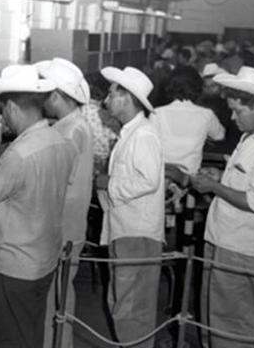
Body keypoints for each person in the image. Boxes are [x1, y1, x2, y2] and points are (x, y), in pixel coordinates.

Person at [191, 66, 254, 348]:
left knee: (233, 324)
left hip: (243, 247)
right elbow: (246, 181)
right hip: (227, 240)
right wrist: (222, 177)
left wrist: (215, 188)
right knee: (216, 317)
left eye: (238, 111)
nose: (233, 117)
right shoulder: (251, 137)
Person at [0, 64, 76, 348]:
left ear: (12, 108)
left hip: (11, 265)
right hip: (43, 260)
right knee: (29, 334)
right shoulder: (62, 142)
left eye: (4, 109)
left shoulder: (17, 155)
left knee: (2, 338)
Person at [95, 66, 165, 348]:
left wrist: (107, 182)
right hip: (126, 230)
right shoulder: (130, 132)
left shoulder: (143, 135)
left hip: (137, 235)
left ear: (126, 98)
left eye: (112, 94)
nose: (106, 100)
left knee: (131, 309)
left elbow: (147, 180)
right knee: (123, 303)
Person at [35, 58, 94, 348]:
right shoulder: (70, 125)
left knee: (56, 300)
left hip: (62, 229)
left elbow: (55, 178)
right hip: (65, 226)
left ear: (55, 96)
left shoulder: (71, 131)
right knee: (57, 297)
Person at [151, 66, 225, 177]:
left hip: (161, 177)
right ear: (199, 87)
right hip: (190, 180)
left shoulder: (157, 113)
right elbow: (220, 135)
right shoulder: (206, 114)